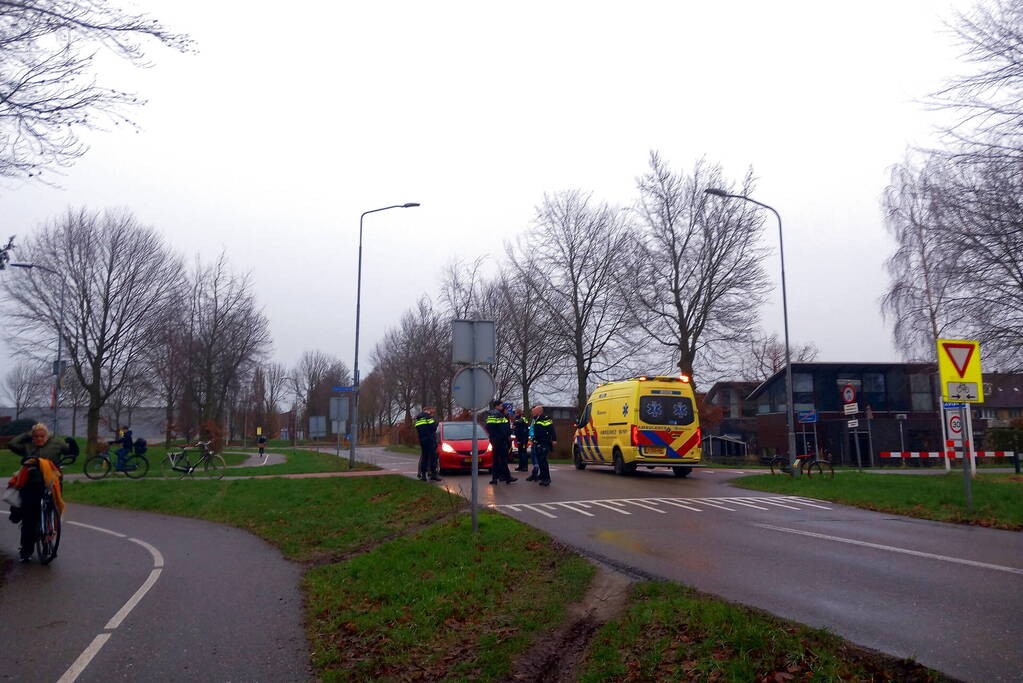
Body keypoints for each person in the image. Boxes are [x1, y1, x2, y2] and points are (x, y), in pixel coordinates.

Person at [6, 424, 77, 562]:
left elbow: (71, 453)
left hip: (51, 483)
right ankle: (26, 551)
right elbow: (12, 444)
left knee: (50, 512)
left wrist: (73, 445)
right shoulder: (28, 445)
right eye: (36, 436)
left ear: (47, 435)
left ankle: (47, 543)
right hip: (31, 483)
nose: (39, 439)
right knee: (29, 519)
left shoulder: (56, 442)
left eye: (42, 436)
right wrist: (27, 434)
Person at [484, 399, 516, 484]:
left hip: (495, 441)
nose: (502, 407)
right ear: (497, 406)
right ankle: (507, 477)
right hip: (500, 441)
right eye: (501, 406)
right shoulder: (498, 415)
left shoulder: (495, 415)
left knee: (496, 460)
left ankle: (495, 478)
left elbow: (488, 427)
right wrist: (502, 436)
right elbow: (502, 429)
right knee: (503, 459)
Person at [530, 404, 557, 487]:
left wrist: (554, 439)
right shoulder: (535, 419)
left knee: (543, 461)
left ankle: (547, 479)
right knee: (540, 461)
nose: (532, 413)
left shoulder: (546, 419)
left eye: (534, 411)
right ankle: (542, 477)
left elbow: (551, 429)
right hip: (537, 442)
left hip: (544, 442)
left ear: (539, 411)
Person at [414, 407, 441, 482]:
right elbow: (434, 428)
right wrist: (435, 422)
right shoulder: (429, 418)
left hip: (422, 440)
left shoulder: (418, 419)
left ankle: (423, 475)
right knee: (433, 457)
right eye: (431, 412)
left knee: (424, 457)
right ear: (428, 411)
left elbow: (418, 428)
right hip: (430, 440)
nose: (432, 413)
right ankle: (433, 474)